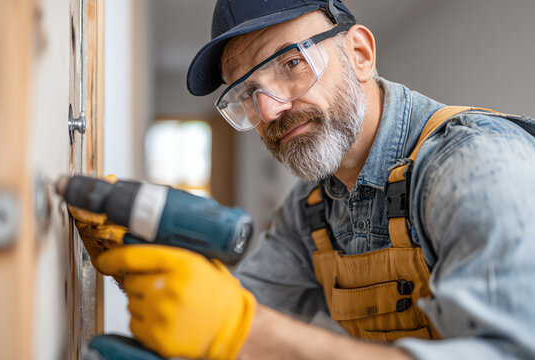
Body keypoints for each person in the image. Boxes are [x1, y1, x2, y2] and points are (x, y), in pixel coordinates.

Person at [73, 0, 535, 359]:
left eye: (291, 64)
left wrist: (245, 335)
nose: (270, 108)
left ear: (359, 54)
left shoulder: (472, 167)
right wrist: (138, 257)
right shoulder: (314, 208)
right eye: (247, 93)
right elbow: (236, 310)